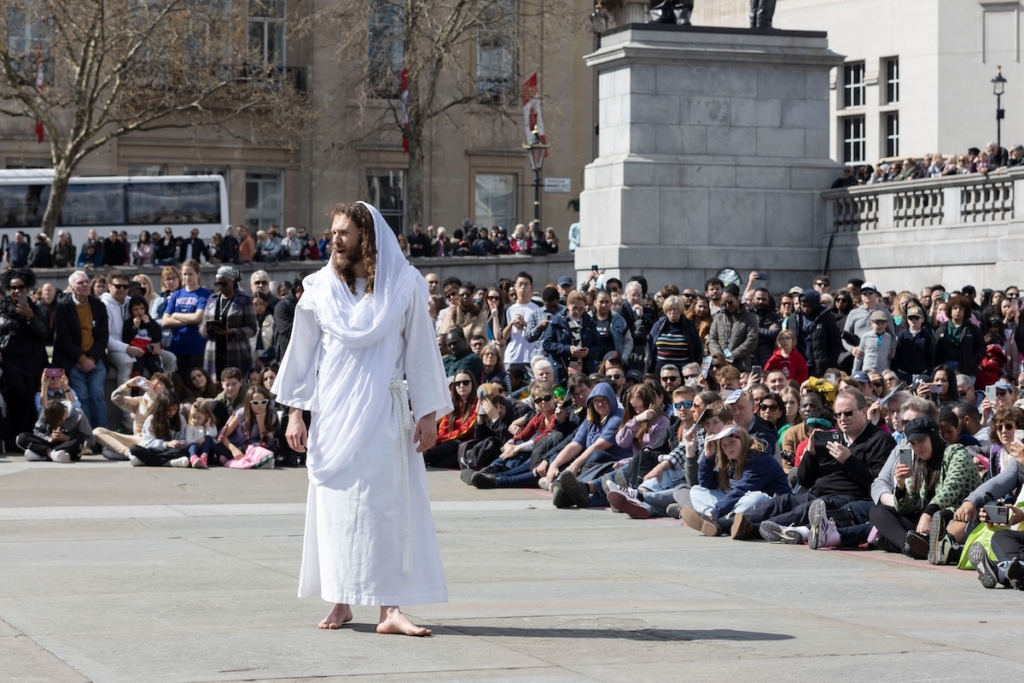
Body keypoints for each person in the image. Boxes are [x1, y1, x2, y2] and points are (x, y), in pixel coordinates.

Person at [273, 201, 452, 636]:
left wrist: (428, 413)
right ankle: (341, 601)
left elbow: (422, 352)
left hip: (386, 415)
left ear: (366, 238)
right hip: (333, 416)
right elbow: (301, 354)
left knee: (388, 510)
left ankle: (390, 609)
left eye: (344, 232)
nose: (334, 239)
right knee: (339, 512)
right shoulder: (317, 287)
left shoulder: (405, 285)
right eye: (332, 231)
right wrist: (296, 413)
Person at [868, 417, 981, 559]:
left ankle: (904, 545)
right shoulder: (917, 462)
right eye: (913, 444)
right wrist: (901, 486)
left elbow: (951, 489)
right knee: (878, 511)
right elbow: (905, 507)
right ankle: (908, 546)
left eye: (921, 441)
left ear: (934, 437)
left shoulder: (957, 453)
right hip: (926, 519)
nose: (918, 447)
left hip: (954, 514)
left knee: (938, 517)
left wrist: (927, 514)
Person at [53, 271, 109, 430]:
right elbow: (63, 340)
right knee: (82, 396)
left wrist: (91, 359)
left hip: (95, 359)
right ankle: (88, 436)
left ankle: (103, 435)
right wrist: (82, 359)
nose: (85, 285)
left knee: (97, 394)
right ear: (71, 287)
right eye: (80, 283)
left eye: (86, 282)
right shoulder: (63, 307)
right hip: (73, 361)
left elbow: (103, 336)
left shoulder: (98, 305)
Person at [0, 268, 49, 446]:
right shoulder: (2, 308)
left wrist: (30, 317)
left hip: (33, 360)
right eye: (12, 287)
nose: (16, 291)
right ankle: (11, 435)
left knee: (29, 398)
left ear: (27, 288)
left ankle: (24, 438)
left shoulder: (36, 308)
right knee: (17, 391)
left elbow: (44, 334)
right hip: (10, 358)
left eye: (20, 287)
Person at [201, 265, 257, 378]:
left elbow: (252, 329)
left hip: (236, 353)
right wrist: (206, 329)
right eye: (217, 283)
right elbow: (202, 328)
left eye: (224, 283)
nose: (220, 286)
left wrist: (231, 332)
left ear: (233, 282)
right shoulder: (212, 299)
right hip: (214, 353)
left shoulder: (244, 299)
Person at [17, 400, 92, 463]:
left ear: (65, 411)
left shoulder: (79, 415)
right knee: (22, 437)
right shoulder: (45, 413)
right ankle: (52, 454)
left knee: (80, 442)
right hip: (47, 444)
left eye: (60, 422)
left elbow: (91, 440)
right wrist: (49, 439)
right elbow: (37, 431)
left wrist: (66, 438)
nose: (57, 425)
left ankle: (41, 455)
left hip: (66, 445)